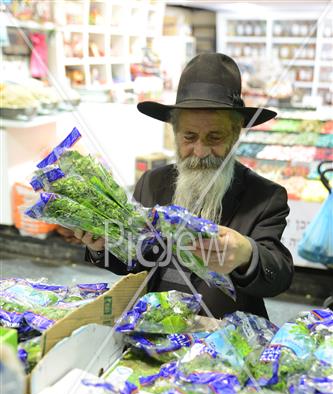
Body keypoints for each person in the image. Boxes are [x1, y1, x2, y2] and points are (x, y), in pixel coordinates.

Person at [76, 53, 294, 319]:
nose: (200, 151)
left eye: (214, 137)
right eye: (189, 137)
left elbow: (279, 276)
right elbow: (131, 261)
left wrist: (246, 253)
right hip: (152, 331)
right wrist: (102, 246)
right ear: (174, 133)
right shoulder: (152, 183)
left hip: (223, 342)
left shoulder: (265, 197)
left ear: (236, 133)